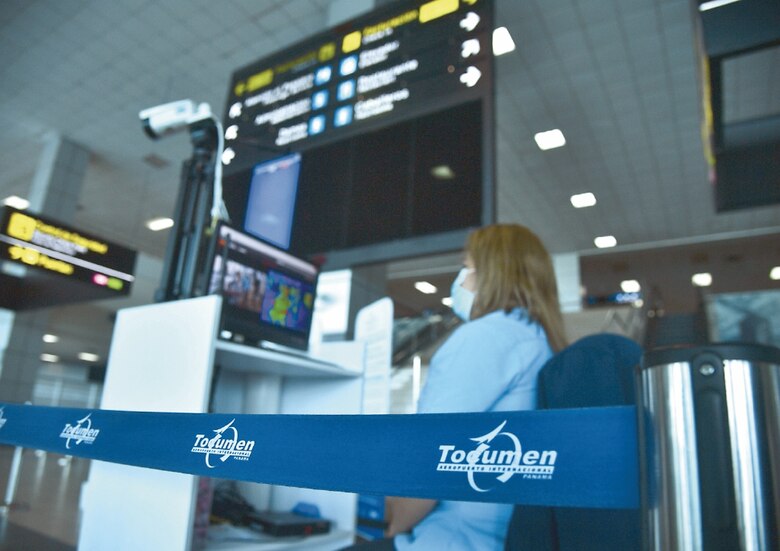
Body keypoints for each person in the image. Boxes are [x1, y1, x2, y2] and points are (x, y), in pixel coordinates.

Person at [344, 224, 566, 551]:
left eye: (467, 266)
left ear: (493, 273)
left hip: (453, 539)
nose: (461, 279)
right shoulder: (537, 339)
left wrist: (390, 527)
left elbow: (429, 464)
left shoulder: (486, 336)